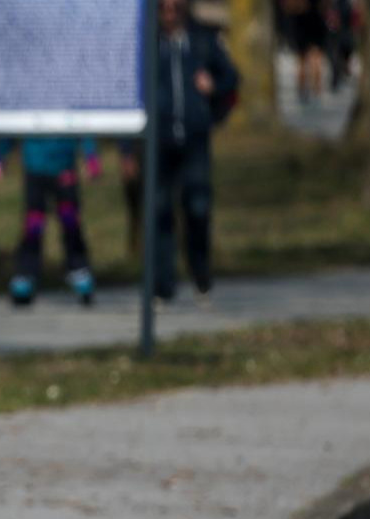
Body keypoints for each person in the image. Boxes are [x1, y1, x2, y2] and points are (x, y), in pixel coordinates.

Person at [123, 0, 240, 305]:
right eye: (163, 7)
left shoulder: (202, 40)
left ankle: (201, 277)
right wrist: (127, 151)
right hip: (157, 142)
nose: (169, 11)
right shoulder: (146, 44)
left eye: (175, 6)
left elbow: (231, 76)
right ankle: (163, 286)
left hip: (194, 139)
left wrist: (212, 85)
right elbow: (129, 96)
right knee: (159, 212)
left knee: (198, 208)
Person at [0, 138, 102, 307]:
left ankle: (79, 270)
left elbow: (82, 124)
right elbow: (13, 122)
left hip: (64, 166)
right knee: (34, 225)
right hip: (35, 168)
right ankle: (26, 274)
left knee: (70, 221)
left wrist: (90, 155)